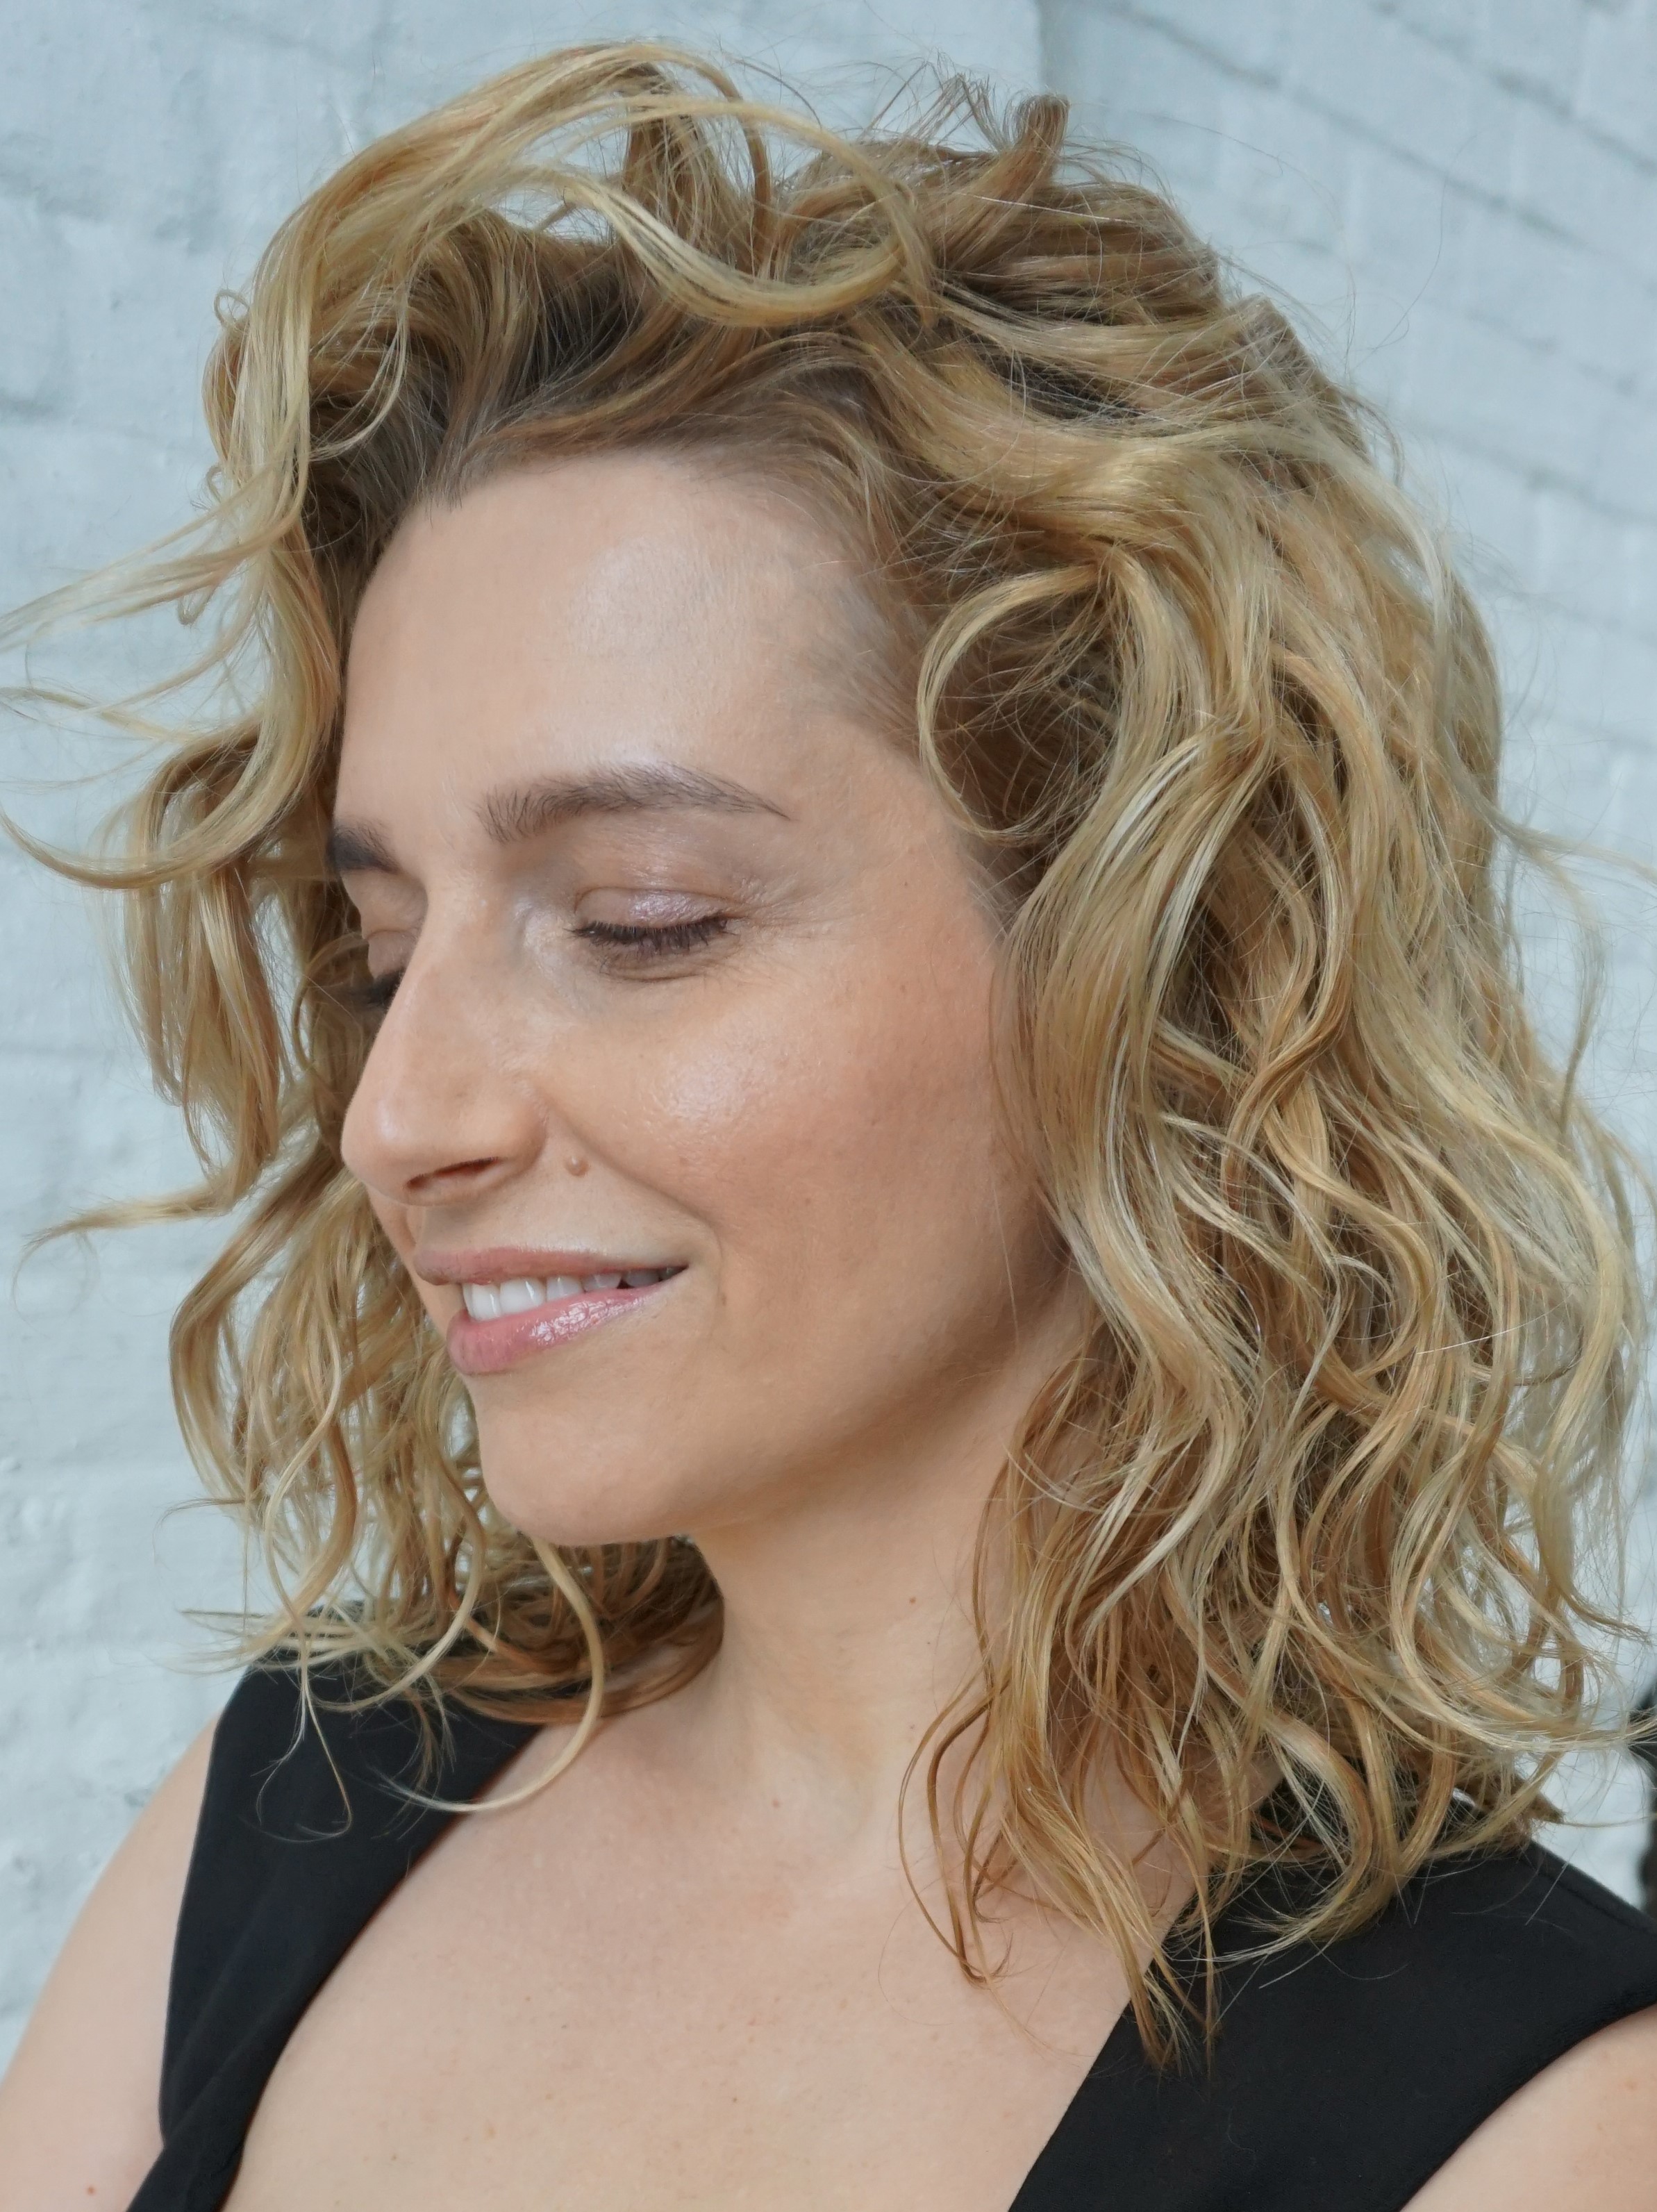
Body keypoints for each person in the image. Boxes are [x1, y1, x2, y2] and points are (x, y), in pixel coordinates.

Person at [2, 42, 1656, 2212]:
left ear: (1146, 967)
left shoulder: (1528, 2122)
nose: (400, 1114)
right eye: (384, 946)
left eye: (640, 921)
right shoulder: (287, 1812)